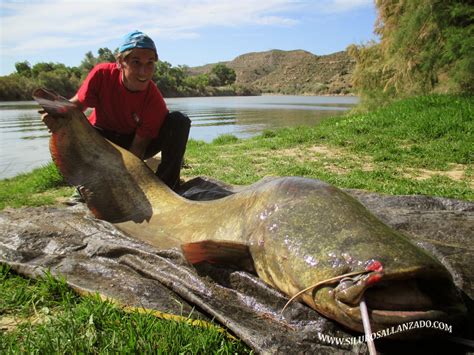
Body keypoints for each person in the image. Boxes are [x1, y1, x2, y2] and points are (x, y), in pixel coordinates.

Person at [68, 30, 190, 191]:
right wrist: (55, 111)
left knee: (179, 121)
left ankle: (167, 185)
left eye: (150, 63)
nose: (143, 72)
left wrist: (128, 182)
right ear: (120, 61)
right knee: (72, 128)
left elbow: (138, 147)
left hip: (132, 141)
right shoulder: (102, 75)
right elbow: (76, 106)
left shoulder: (154, 101)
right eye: (136, 62)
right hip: (100, 138)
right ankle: (86, 186)